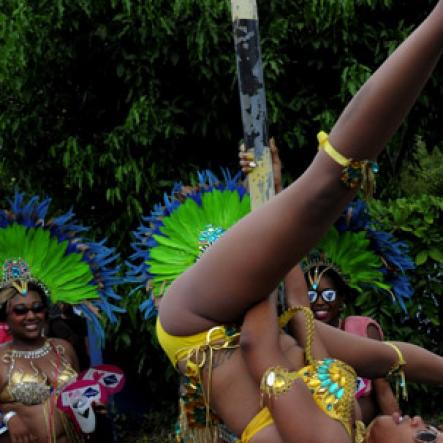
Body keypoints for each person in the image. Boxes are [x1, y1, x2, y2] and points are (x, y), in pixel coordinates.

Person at [138, 2, 443, 441]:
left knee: (329, 188)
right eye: (432, 427)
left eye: (426, 438)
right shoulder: (347, 430)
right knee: (387, 355)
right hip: (255, 322)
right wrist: (273, 199)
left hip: (205, 327)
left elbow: (257, 346)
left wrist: (266, 241)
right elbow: (303, 313)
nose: (419, 422)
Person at [0, 193, 124, 442]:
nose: (31, 315)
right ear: (6, 315)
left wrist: (92, 404)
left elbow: (79, 396)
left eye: (37, 307)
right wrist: (7, 420)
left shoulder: (63, 349)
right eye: (21, 310)